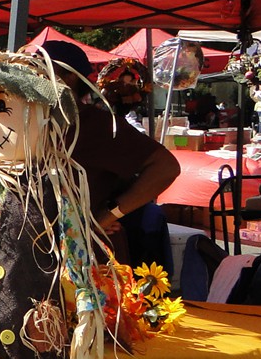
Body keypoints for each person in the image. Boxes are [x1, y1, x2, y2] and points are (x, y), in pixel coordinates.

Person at [39, 40, 181, 266]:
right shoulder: (31, 124)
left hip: (88, 261)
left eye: (41, 68)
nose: (33, 78)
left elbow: (166, 167)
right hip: (40, 257)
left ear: (70, 77)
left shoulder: (96, 125)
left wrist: (108, 215)